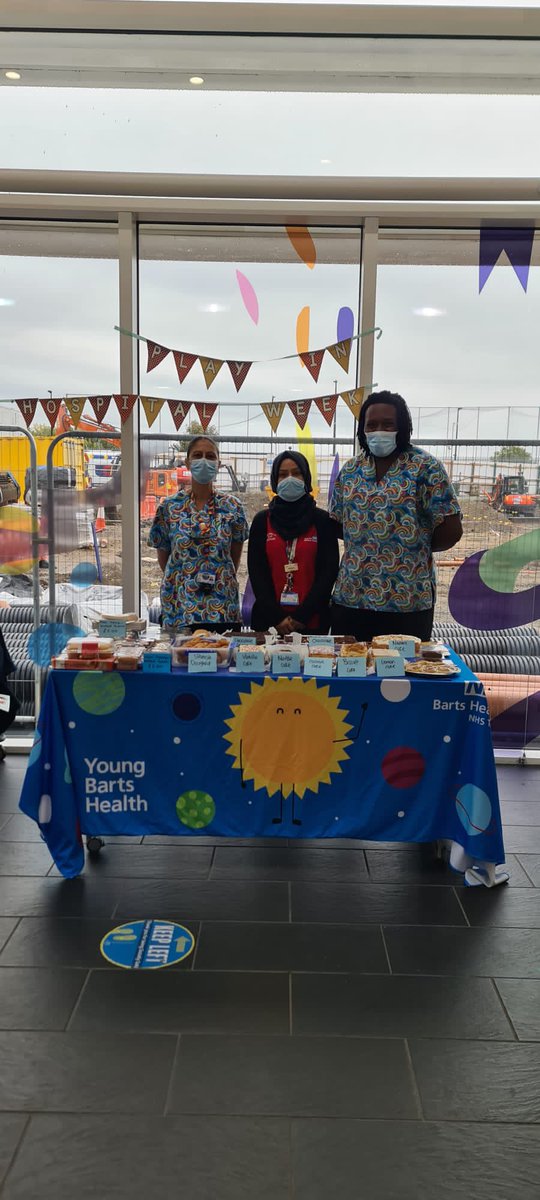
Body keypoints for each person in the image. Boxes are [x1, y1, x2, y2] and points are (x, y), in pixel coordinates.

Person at [330, 390, 462, 641]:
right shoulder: (350, 471)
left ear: (402, 427)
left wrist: (411, 547)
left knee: (406, 665)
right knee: (350, 663)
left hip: (407, 600)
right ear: (362, 430)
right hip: (352, 597)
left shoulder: (426, 467)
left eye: (388, 424)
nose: (379, 430)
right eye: (371, 425)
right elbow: (338, 524)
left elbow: (452, 530)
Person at [148, 435, 248, 632]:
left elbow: (233, 557)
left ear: (218, 464)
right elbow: (164, 558)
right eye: (197, 455)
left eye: (210, 456)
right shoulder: (169, 507)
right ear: (187, 463)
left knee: (222, 651)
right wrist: (186, 577)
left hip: (222, 605)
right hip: (180, 605)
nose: (204, 460)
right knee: (180, 652)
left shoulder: (232, 506)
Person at [248, 450, 340, 635]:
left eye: (297, 473)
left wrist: (301, 617)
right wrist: (277, 618)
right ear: (275, 481)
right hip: (270, 623)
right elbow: (257, 573)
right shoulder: (261, 521)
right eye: (283, 475)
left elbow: (328, 572)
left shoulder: (323, 520)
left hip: (311, 622)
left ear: (306, 477)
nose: (290, 479)